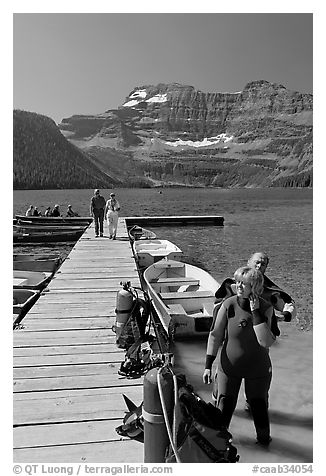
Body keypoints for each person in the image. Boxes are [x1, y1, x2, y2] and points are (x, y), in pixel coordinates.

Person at [203, 266, 276, 446]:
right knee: (224, 406)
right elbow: (215, 335)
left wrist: (255, 312)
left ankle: (264, 444)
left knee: (258, 407)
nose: (239, 286)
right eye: (237, 282)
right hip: (229, 367)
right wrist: (207, 365)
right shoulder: (228, 305)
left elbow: (265, 341)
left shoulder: (266, 308)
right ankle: (219, 445)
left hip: (258, 369)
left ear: (256, 286)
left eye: (244, 283)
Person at [214, 251, 296, 337]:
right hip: (234, 329)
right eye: (257, 262)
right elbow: (217, 303)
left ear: (266, 267)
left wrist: (281, 317)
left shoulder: (270, 291)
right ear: (248, 262)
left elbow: (289, 306)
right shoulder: (231, 284)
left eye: (263, 264)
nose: (259, 266)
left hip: (258, 332)